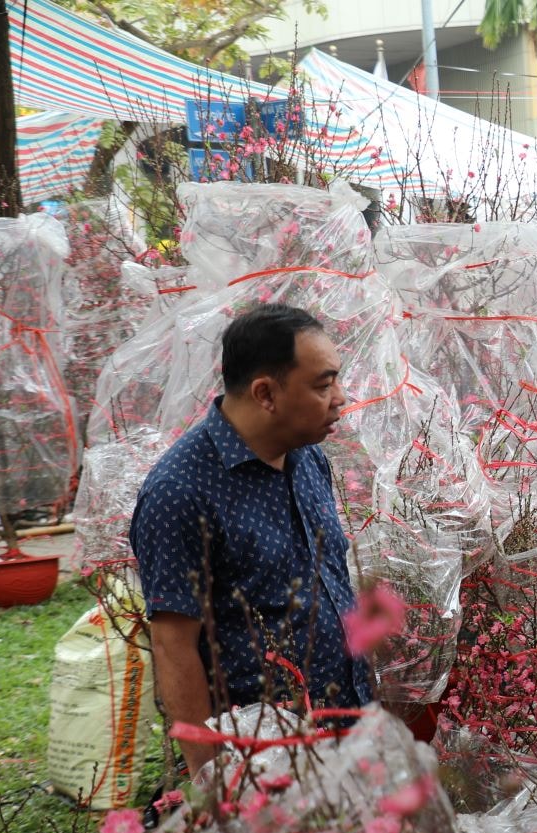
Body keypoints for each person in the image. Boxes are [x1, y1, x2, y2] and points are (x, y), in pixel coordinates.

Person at [130, 303, 371, 777]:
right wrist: (213, 777)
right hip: (264, 760)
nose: (342, 398)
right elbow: (173, 647)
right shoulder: (181, 492)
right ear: (265, 393)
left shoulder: (307, 460)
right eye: (323, 385)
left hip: (348, 729)